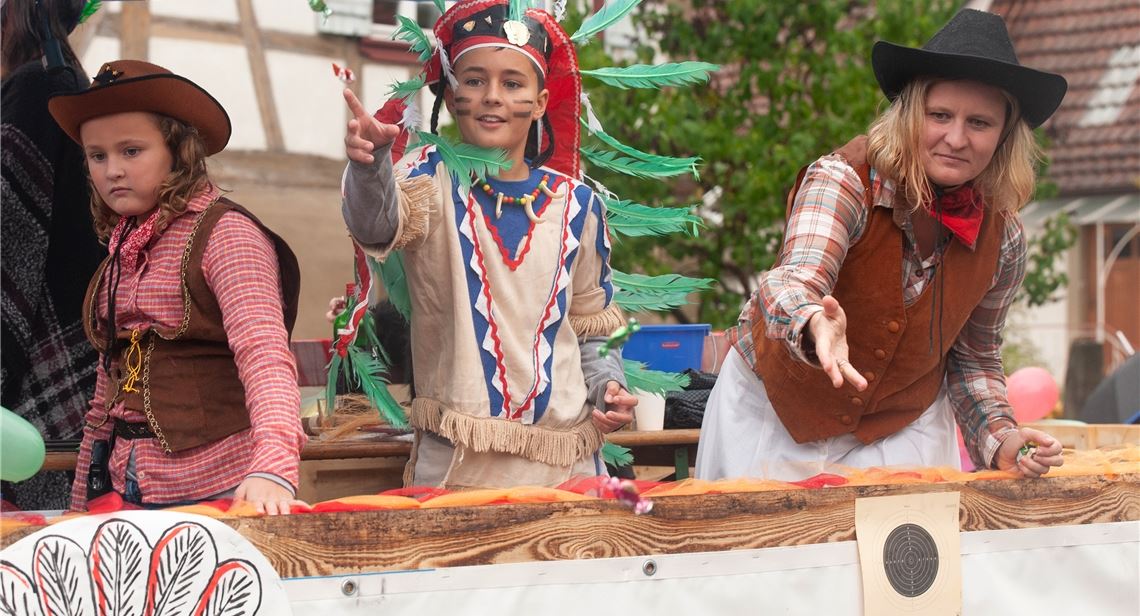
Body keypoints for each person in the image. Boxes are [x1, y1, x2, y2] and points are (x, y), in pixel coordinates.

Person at [696, 9, 1068, 481]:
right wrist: (812, 322)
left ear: (1004, 136)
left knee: (900, 554)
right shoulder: (844, 181)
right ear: (912, 114)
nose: (955, 138)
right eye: (940, 115)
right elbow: (792, 279)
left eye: (979, 122)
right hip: (773, 417)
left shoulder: (1006, 239)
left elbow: (974, 357)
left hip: (900, 432)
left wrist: (1003, 438)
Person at [340, 0, 638, 489]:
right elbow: (375, 227)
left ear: (540, 102)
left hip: (566, 468)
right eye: (474, 81)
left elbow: (589, 328)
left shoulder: (578, 204)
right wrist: (370, 166)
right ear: (453, 95)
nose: (492, 97)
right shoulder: (425, 179)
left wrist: (609, 387)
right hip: (457, 469)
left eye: (513, 83)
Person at [48, 59, 307, 513]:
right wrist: (77, 505)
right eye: (97, 155)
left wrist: (273, 467)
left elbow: (264, 355)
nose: (112, 171)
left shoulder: (227, 236)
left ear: (177, 151)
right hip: (124, 485)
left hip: (220, 488)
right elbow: (105, 396)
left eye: (131, 151)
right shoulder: (122, 248)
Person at [1, 0, 105, 509]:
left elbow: (9, 250)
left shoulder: (34, 90)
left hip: (32, 362)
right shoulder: (68, 83)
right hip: (74, 354)